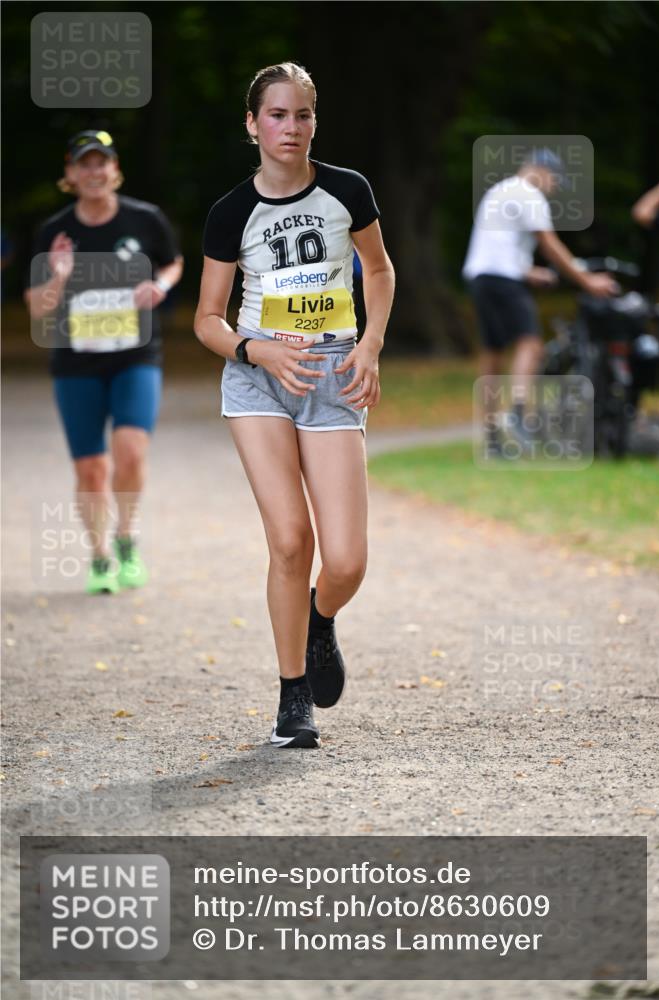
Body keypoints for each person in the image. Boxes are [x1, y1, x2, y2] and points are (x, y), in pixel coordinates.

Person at [195, 62, 394, 749]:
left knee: (344, 562)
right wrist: (255, 350)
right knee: (289, 539)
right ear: (252, 124)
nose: (291, 127)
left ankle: (317, 620)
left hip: (335, 371)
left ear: (314, 121)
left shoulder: (347, 190)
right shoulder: (230, 212)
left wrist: (368, 345)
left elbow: (379, 268)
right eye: (276, 115)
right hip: (258, 380)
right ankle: (292, 698)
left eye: (302, 114)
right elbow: (206, 320)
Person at [25, 130, 183, 593]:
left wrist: (161, 285)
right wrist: (57, 277)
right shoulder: (54, 231)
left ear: (115, 170)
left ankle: (127, 535)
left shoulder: (146, 219)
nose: (94, 171)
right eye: (84, 164)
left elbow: (173, 262)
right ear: (70, 175)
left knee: (130, 451)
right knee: (91, 469)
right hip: (77, 364)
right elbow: (36, 306)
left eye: (102, 162)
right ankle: (99, 557)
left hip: (136, 356)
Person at [462, 148, 617, 455]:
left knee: (493, 354)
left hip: (480, 277)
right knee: (530, 344)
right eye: (555, 181)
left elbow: (496, 245)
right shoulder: (529, 194)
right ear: (541, 172)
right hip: (504, 279)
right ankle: (518, 411)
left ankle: (492, 438)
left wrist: (529, 272)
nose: (554, 188)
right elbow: (550, 244)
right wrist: (588, 280)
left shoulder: (499, 191)